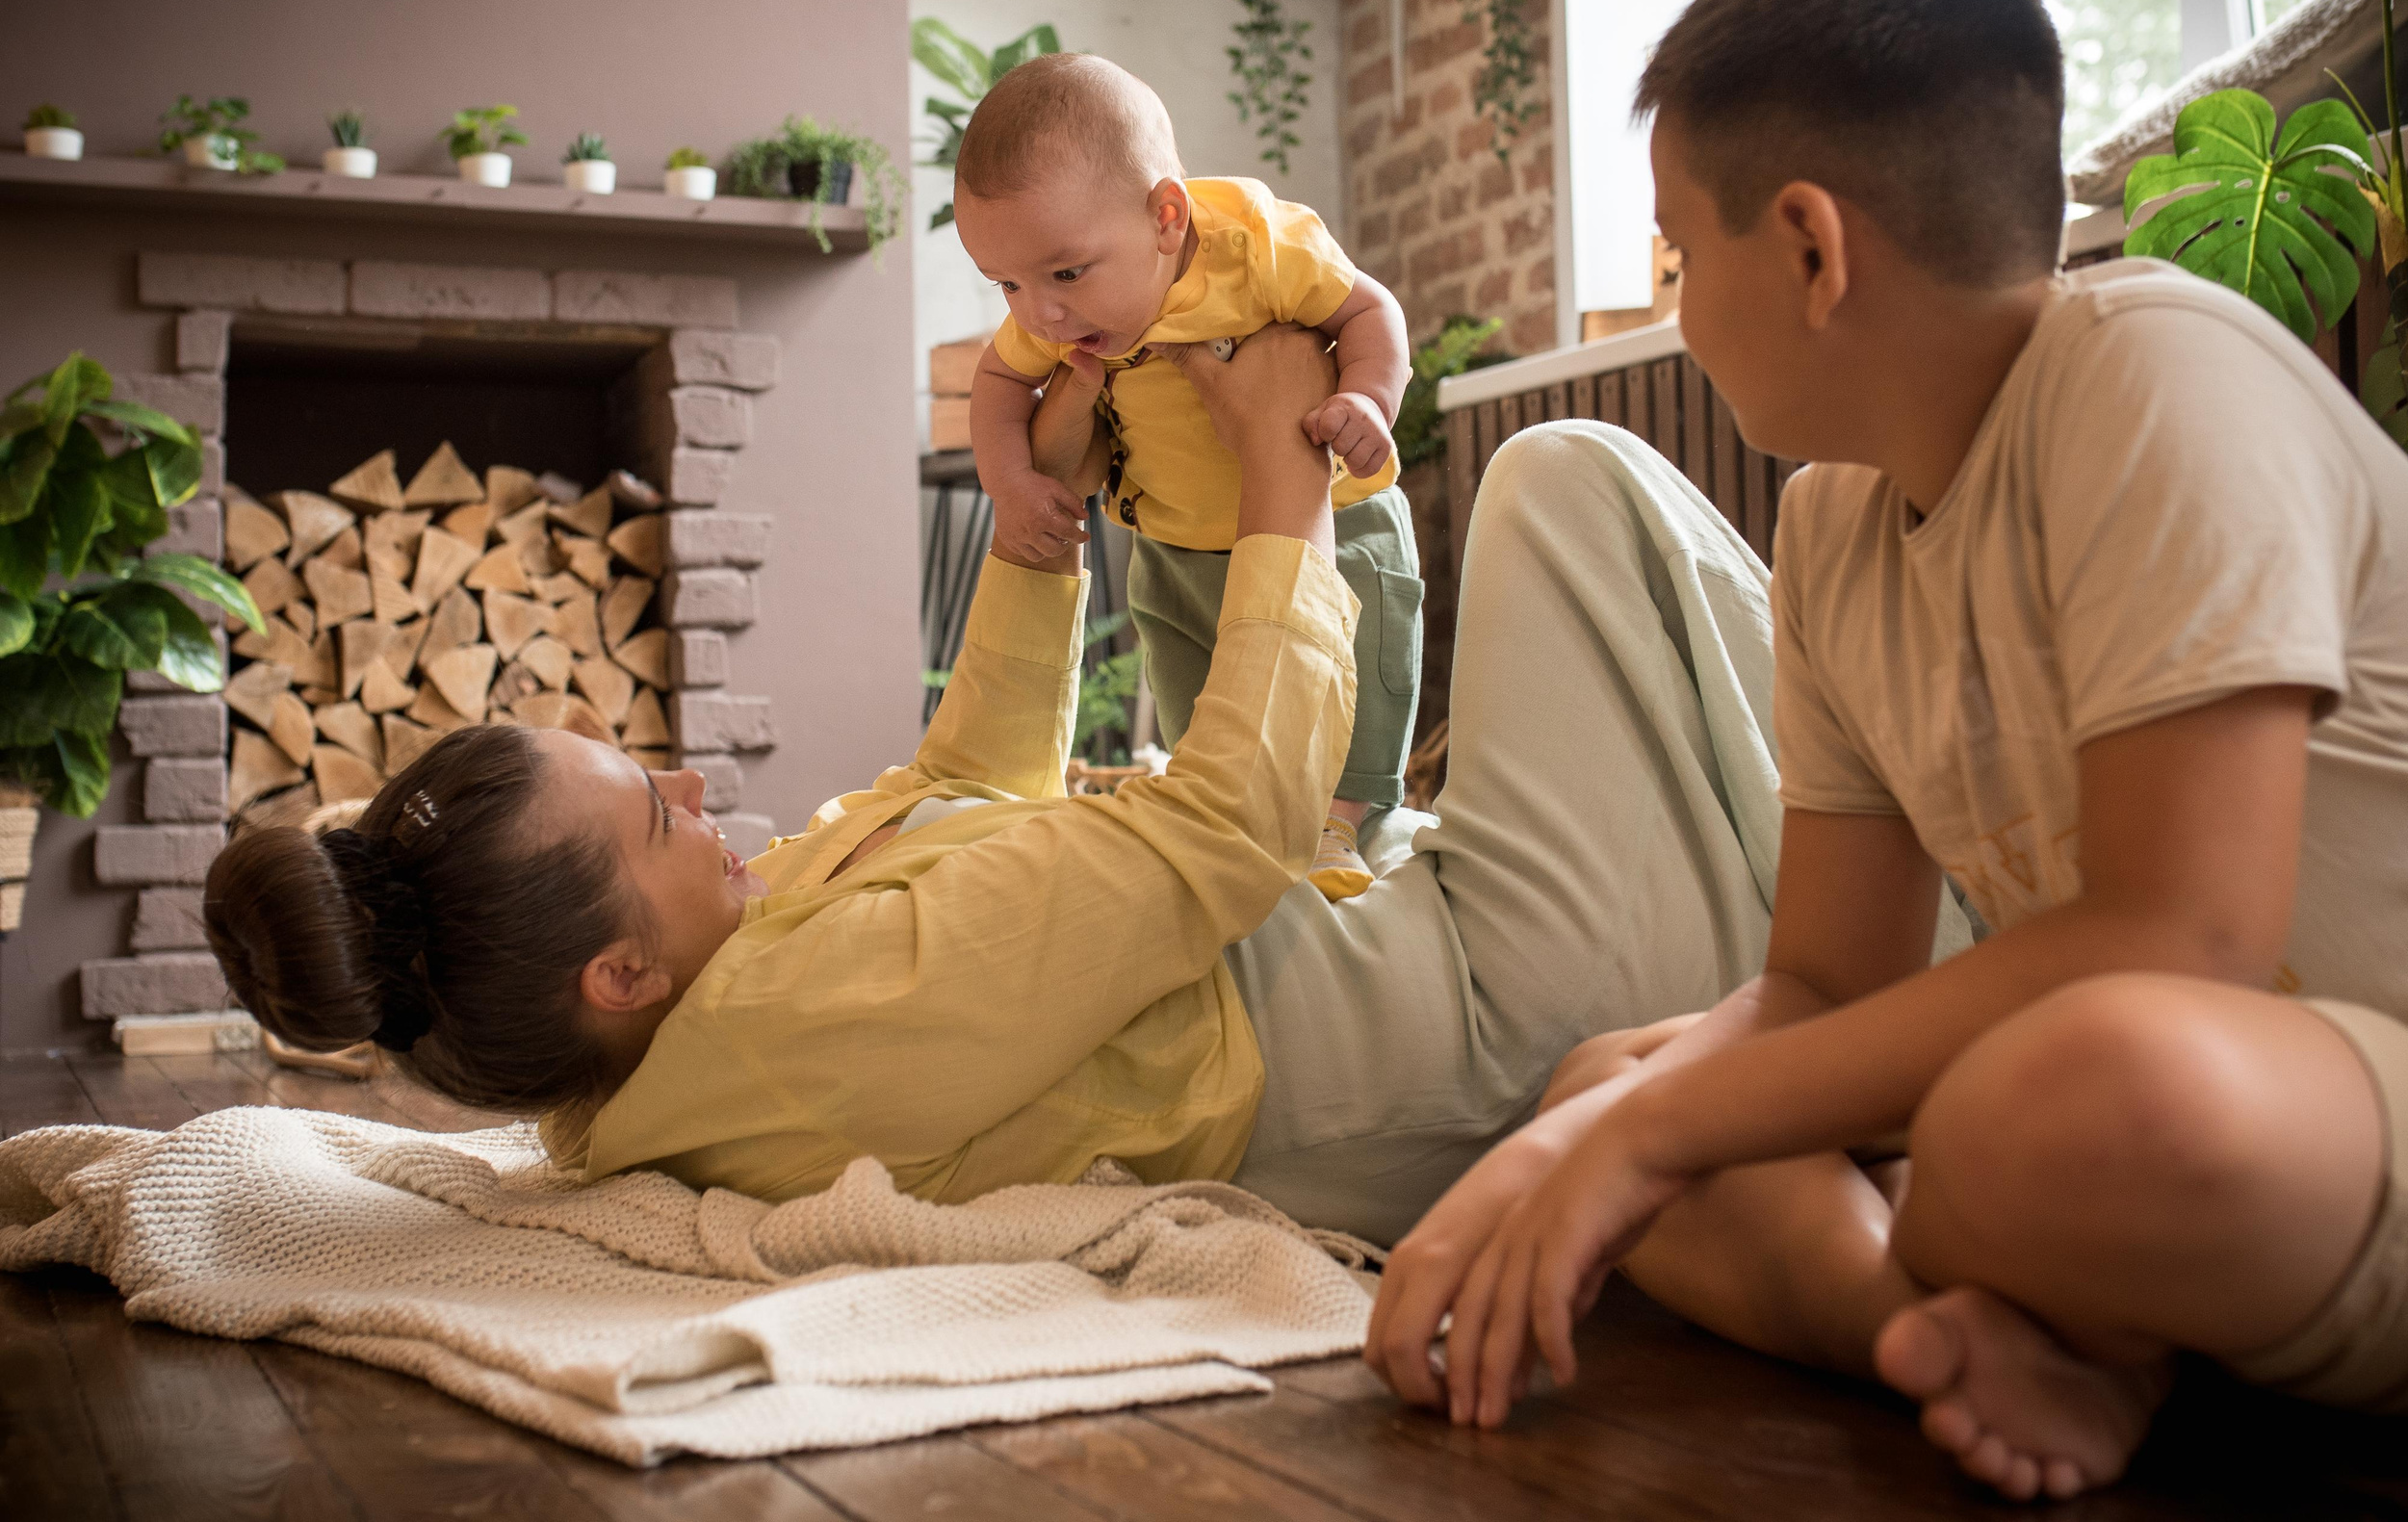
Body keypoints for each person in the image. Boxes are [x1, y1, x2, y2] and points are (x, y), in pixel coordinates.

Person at [1363, 0, 2408, 1504]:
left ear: (1810, 246)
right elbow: (1818, 978)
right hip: (2156, 1126)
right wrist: (1599, 1132)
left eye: (1679, 249)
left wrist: (1655, 1143)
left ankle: (2018, 1292)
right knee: (1610, 1074)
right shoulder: (1830, 528)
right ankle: (1964, 1332)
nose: (1671, 296)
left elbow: (2183, 936)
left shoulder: (2158, 375)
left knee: (2060, 1092)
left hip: (2370, 1096)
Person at [203, 324, 1853, 1250]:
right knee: (1573, 476)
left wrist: (1042, 516)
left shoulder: (698, 1010)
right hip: (1480, 1009)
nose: (700, 786)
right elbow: (1225, 830)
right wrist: (1279, 493)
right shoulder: (810, 1018)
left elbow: (957, 775)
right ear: (617, 971)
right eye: (657, 809)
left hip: (1407, 938)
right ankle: (1914, 883)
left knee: (1454, 582)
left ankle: (1849, 854)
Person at [955, 52, 1416, 898]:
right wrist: (1011, 480)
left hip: (1332, 528)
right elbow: (997, 384)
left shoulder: (1257, 245)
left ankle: (1338, 820)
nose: (1038, 313)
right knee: (1195, 697)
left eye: (1063, 273)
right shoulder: (1054, 317)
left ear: (1167, 216)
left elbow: (1367, 309)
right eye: (1005, 284)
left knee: (1359, 680)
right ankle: (1217, 805)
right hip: (1173, 546)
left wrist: (1368, 398)